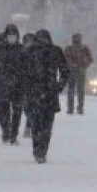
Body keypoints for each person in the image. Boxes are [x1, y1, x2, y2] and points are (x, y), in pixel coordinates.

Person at [26, 29, 70, 164]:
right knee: (43, 125)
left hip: (42, 93)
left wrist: (59, 85)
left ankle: (40, 150)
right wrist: (59, 85)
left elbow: (64, 70)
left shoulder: (48, 51)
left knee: (40, 125)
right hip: (43, 93)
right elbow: (65, 70)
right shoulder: (35, 51)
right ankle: (40, 150)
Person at [63, 32, 94, 115]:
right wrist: (72, 65)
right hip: (73, 72)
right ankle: (71, 108)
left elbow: (90, 59)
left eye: (78, 38)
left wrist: (84, 65)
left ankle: (79, 108)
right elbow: (66, 59)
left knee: (79, 91)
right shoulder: (69, 48)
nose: (77, 40)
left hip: (80, 72)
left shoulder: (84, 48)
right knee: (72, 91)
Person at [20, 33, 37, 138]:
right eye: (27, 41)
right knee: (26, 108)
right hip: (24, 85)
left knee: (32, 107)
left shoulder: (38, 53)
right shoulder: (21, 53)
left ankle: (29, 126)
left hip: (35, 85)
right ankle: (30, 125)